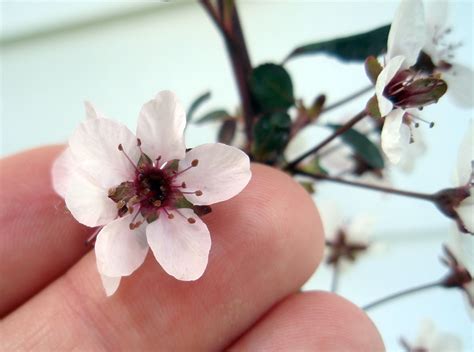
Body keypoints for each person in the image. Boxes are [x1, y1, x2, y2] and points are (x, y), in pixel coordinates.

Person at [0, 145, 384, 351]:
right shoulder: (115, 186)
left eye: (155, 186)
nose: (150, 190)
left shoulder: (181, 187)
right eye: (146, 186)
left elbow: (232, 169)